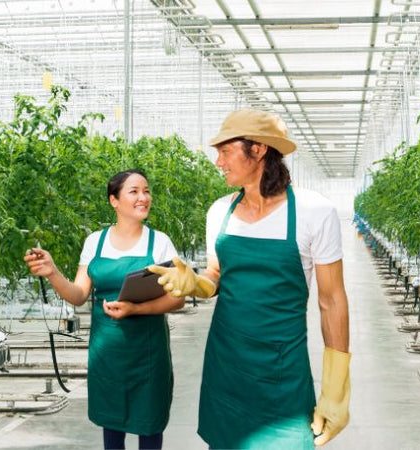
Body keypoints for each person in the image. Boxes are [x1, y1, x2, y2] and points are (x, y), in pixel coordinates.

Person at [149, 109, 351, 449]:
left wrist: (335, 388)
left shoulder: (314, 211)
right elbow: (216, 276)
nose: (218, 162)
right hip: (226, 362)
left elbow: (331, 300)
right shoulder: (219, 211)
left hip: (282, 368)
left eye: (226, 151)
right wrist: (195, 283)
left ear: (257, 150)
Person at [25, 169, 182, 450]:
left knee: (149, 424)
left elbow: (178, 299)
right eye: (134, 191)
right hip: (107, 352)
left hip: (147, 352)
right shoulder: (95, 242)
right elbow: (78, 294)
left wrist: (136, 309)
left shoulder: (159, 242)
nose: (143, 197)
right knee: (111, 426)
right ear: (114, 200)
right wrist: (52, 272)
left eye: (146, 191)